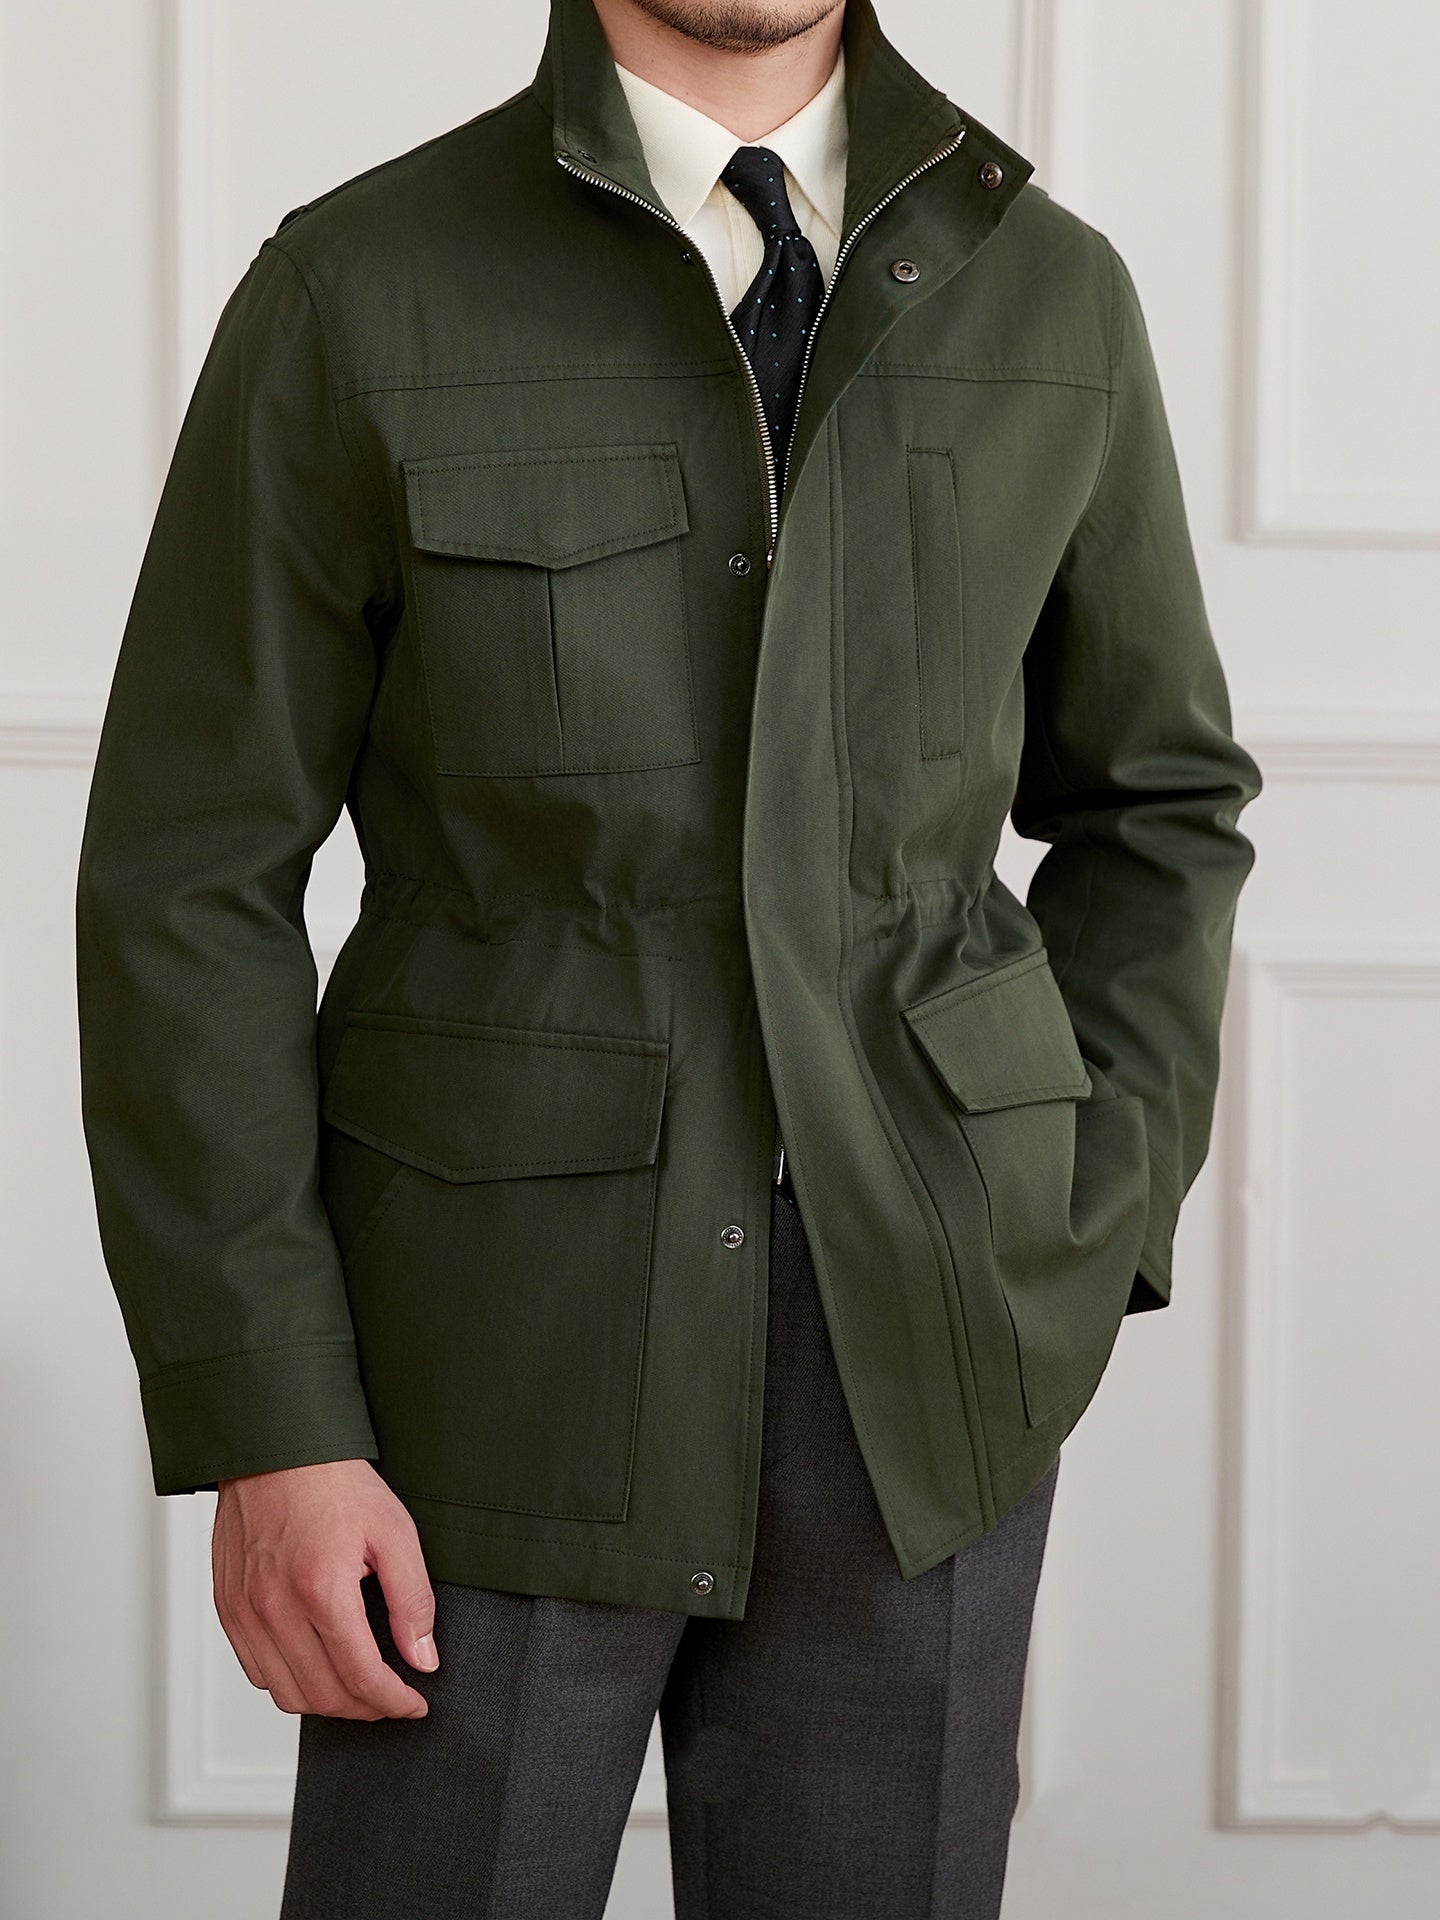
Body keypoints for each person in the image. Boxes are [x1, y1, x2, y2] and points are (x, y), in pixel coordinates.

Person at [73, 0, 1262, 1912]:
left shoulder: (1050, 296)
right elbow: (185, 877)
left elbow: (1160, 808)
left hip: (925, 1364)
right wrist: (271, 1414)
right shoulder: (360, 288)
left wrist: (1082, 1213)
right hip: (484, 1364)